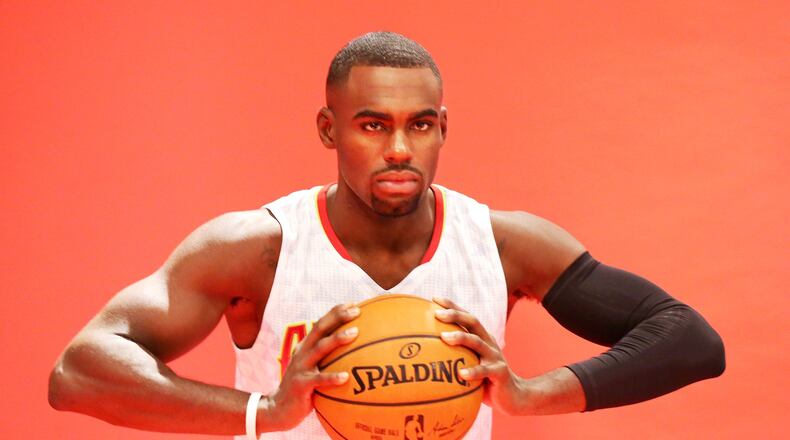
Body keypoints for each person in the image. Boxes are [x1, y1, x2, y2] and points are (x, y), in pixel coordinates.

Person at [48, 32, 725, 439]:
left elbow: (690, 338)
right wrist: (264, 411)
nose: (400, 148)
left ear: (442, 128)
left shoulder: (501, 243)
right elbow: (80, 372)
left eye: (420, 125)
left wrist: (532, 393)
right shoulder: (260, 248)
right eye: (373, 125)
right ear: (328, 129)